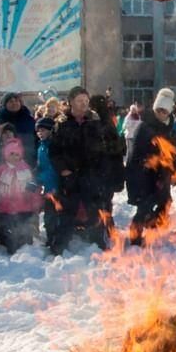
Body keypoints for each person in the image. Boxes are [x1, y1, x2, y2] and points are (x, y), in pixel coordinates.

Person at [49, 86, 125, 253]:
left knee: (95, 211)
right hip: (70, 175)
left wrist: (102, 172)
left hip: (91, 175)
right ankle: (58, 248)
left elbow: (105, 150)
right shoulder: (62, 124)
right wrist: (63, 170)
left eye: (86, 101)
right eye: (79, 101)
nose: (84, 104)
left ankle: (98, 243)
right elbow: (54, 152)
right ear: (71, 103)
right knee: (68, 212)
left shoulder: (95, 123)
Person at [126, 88, 176, 246]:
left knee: (165, 203)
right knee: (144, 208)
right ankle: (135, 239)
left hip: (161, 175)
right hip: (144, 175)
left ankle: (152, 229)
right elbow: (139, 155)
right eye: (159, 109)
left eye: (165, 110)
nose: (161, 113)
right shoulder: (146, 127)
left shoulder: (168, 126)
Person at [0, 138, 41, 254]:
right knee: (10, 232)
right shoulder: (2, 168)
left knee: (24, 231)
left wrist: (35, 201)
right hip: (6, 207)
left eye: (17, 154)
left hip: (24, 206)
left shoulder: (25, 169)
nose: (14, 157)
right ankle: (11, 249)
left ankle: (25, 247)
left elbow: (32, 185)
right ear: (6, 154)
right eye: (11, 154)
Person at [34, 117, 58, 251]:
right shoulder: (41, 147)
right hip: (47, 186)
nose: (40, 133)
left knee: (56, 215)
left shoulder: (52, 146)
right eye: (38, 131)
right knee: (49, 216)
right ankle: (50, 238)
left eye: (43, 130)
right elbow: (41, 166)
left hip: (56, 186)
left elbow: (52, 168)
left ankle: (57, 239)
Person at [0, 92, 37, 164]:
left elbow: (36, 137)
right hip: (7, 162)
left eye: (16, 101)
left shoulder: (29, 119)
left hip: (29, 158)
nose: (14, 103)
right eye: (11, 101)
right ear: (5, 104)